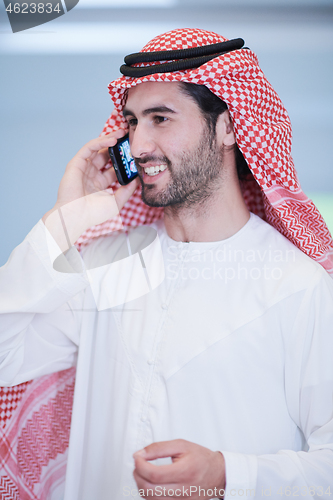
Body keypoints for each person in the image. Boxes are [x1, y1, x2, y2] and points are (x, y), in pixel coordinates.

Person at [1, 28, 333, 500]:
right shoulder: (103, 266)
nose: (137, 146)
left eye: (161, 118)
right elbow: (6, 357)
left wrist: (227, 475)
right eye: (134, 122)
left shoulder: (299, 287)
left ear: (229, 127)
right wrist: (67, 220)